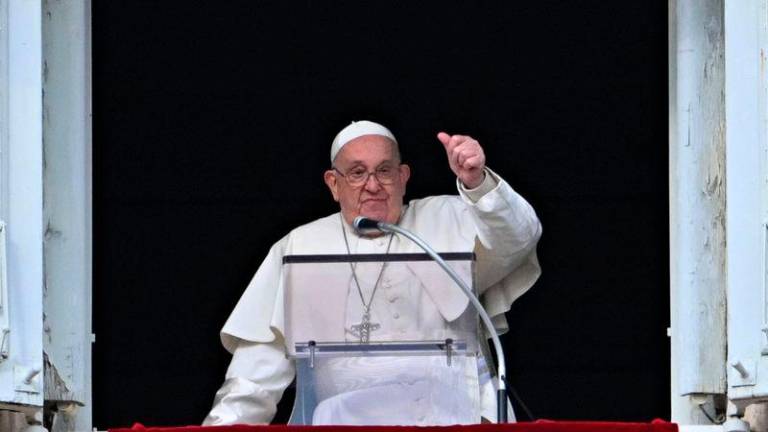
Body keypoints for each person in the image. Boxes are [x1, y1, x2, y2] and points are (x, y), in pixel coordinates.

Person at [203, 120, 542, 425]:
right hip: (347, 422)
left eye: (384, 171)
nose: (373, 185)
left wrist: (477, 183)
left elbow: (519, 237)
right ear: (333, 184)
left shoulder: (447, 217)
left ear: (403, 177)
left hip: (457, 416)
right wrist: (228, 425)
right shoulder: (299, 247)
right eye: (356, 172)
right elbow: (258, 368)